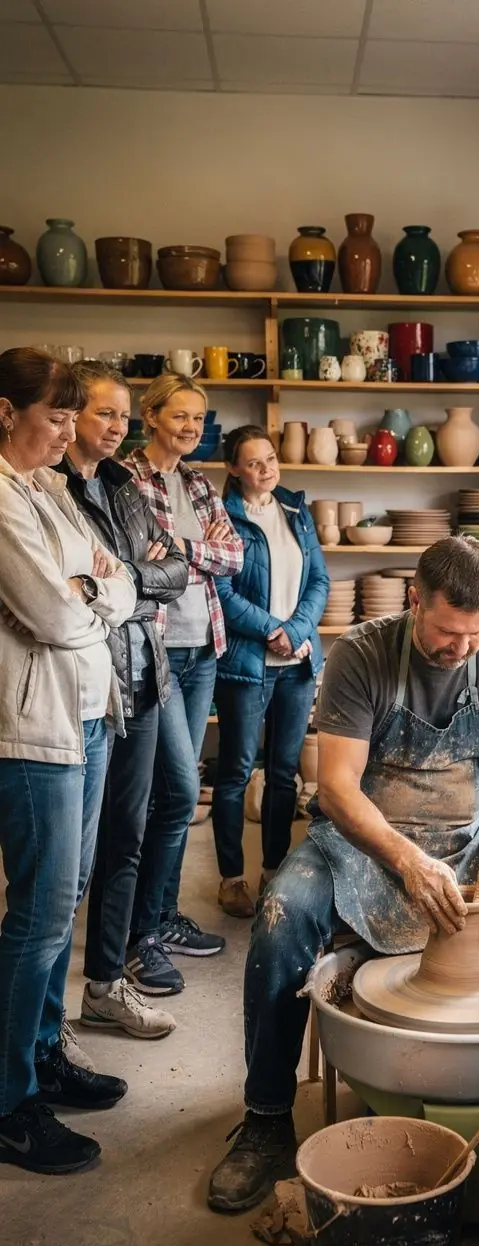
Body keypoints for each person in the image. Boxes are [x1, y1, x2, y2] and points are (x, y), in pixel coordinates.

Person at [208, 536, 479, 1212]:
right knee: (280, 917)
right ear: (414, 602)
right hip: (365, 844)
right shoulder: (362, 653)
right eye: (446, 631)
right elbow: (339, 788)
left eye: (476, 632)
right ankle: (264, 1120)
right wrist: (406, 859)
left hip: (471, 843)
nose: (462, 646)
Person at [0, 347, 137, 1175]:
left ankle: (44, 1054)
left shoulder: (49, 487)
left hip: (88, 716)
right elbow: (55, 612)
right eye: (55, 417)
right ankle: (9, 1102)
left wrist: (94, 588)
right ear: (5, 413)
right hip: (32, 730)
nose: (67, 433)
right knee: (40, 913)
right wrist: (90, 591)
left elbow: (116, 583)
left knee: (66, 899)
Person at [57, 360, 189, 1036]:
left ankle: (106, 982)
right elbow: (70, 589)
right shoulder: (49, 490)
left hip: (142, 675)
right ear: (69, 413)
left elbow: (178, 568)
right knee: (68, 868)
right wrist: (132, 585)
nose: (115, 427)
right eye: (102, 413)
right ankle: (43, 1023)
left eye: (121, 415)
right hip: (84, 687)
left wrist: (124, 581)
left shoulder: (124, 486)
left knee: (127, 839)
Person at [122, 374, 243, 993]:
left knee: (179, 790)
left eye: (199, 418)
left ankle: (163, 918)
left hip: (204, 649)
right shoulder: (127, 478)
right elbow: (141, 562)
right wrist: (194, 549)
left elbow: (235, 558)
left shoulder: (198, 480)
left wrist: (180, 549)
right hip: (156, 653)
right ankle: (140, 936)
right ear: (150, 414)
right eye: (181, 416)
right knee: (172, 794)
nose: (193, 428)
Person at [212, 425, 329, 918]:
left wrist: (296, 630)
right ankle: (232, 877)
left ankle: (274, 871)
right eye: (254, 462)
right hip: (248, 664)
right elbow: (219, 590)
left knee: (285, 775)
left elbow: (320, 579)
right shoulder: (222, 517)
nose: (267, 469)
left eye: (272, 458)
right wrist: (270, 630)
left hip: (297, 663)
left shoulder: (296, 511)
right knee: (237, 772)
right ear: (235, 469)